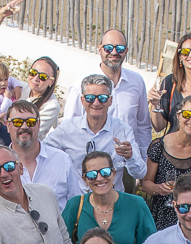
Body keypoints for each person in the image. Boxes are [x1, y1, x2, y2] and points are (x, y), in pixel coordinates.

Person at [47, 76, 146, 202]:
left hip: (112, 202)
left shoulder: (122, 130)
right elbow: (42, 153)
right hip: (79, 203)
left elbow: (140, 173)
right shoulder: (67, 129)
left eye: (102, 98)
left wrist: (130, 156)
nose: (96, 103)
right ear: (82, 100)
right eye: (90, 98)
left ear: (110, 101)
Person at [62, 30, 153, 159]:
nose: (114, 52)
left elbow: (143, 126)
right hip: (94, 165)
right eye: (108, 48)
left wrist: (144, 160)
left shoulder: (136, 82)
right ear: (100, 49)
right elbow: (69, 131)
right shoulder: (80, 87)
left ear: (126, 51)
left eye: (119, 48)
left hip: (127, 163)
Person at [144, 94, 191, 230]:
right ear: (178, 116)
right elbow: (145, 184)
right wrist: (158, 188)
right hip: (162, 217)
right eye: (187, 114)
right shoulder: (159, 146)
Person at [62, 151, 155, 244]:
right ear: (85, 180)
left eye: (105, 172)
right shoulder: (75, 205)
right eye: (92, 175)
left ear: (114, 174)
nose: (99, 178)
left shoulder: (136, 204)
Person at [6, 99, 76, 207]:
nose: (24, 127)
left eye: (31, 122)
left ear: (38, 124)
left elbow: (76, 205)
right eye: (17, 122)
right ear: (8, 125)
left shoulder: (62, 160)